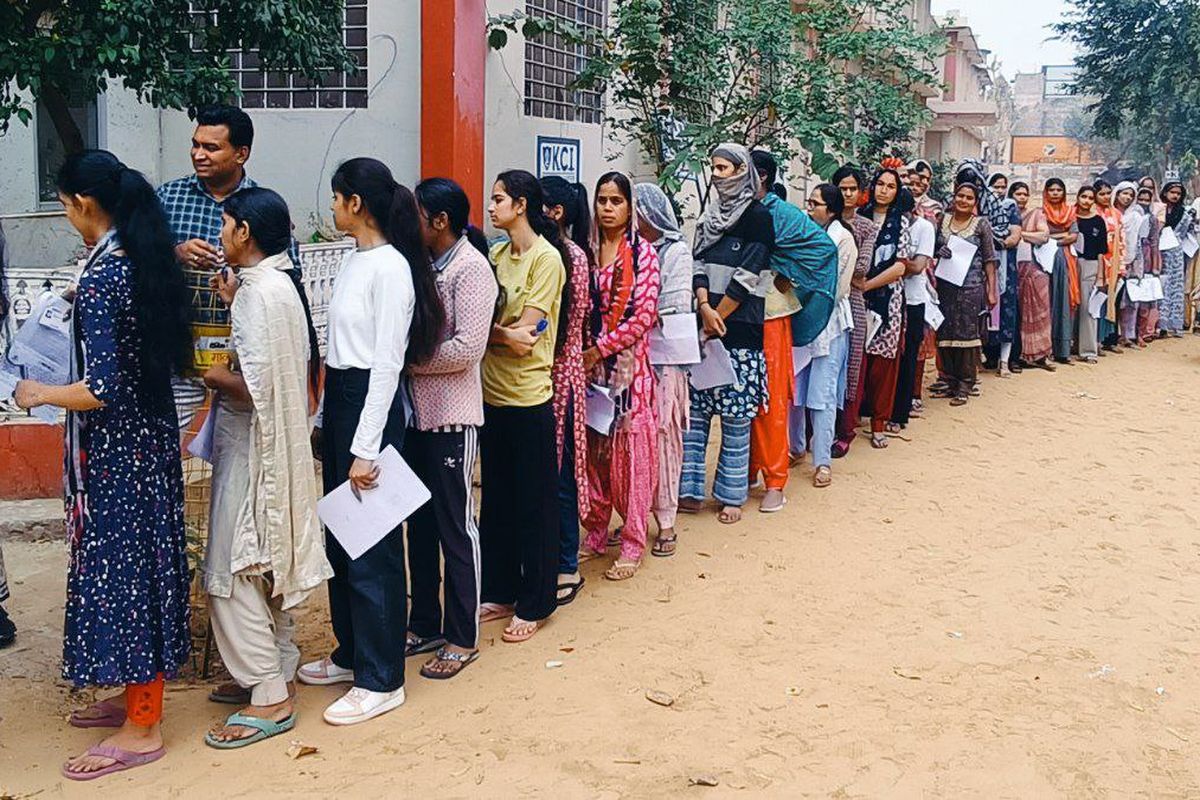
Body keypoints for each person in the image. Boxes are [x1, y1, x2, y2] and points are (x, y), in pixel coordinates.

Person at [14, 150, 192, 779]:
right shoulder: (136, 259)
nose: (66, 217)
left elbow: (103, 387)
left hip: (117, 453)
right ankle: (133, 696)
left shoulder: (105, 275)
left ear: (83, 204)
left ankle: (143, 726)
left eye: (63, 206)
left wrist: (37, 393)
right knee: (142, 568)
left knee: (125, 577)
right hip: (148, 443)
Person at [297, 158, 445, 726]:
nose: (332, 208)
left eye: (337, 198)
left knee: (373, 547)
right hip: (343, 400)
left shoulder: (392, 269)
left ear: (356, 202)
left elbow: (385, 364)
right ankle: (352, 650)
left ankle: (382, 678)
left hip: (370, 408)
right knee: (342, 536)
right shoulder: (356, 260)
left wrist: (365, 447)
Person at [199, 188, 332, 748]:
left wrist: (208, 372)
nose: (223, 233)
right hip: (270, 445)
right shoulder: (273, 288)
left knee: (230, 572)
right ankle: (274, 666)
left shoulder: (262, 294)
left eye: (227, 225)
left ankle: (269, 692)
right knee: (264, 564)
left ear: (245, 233)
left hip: (256, 446)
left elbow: (255, 389)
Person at [156, 105, 303, 430]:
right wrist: (175, 253)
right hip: (178, 351)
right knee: (164, 443)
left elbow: (290, 274)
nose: (199, 155)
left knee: (239, 454)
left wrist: (243, 282)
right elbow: (138, 257)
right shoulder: (167, 196)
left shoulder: (262, 204)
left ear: (241, 154)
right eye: (195, 144)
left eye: (211, 147)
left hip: (242, 356)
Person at [405, 178, 498, 679]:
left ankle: (463, 635)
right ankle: (425, 622)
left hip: (453, 417)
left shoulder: (471, 269)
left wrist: (407, 362)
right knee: (418, 526)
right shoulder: (426, 265)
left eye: (417, 215)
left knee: (456, 526)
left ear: (439, 221)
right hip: (417, 417)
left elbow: (466, 349)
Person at [477, 170, 567, 643]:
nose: (490, 207)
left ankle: (536, 599)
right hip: (490, 394)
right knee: (496, 500)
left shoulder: (546, 260)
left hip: (529, 396)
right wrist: (497, 333)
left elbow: (525, 340)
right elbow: (489, 328)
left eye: (498, 199)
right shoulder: (494, 254)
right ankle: (500, 587)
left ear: (522, 205)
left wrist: (493, 334)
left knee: (534, 501)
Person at [680, 143, 774, 525]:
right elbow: (697, 261)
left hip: (740, 330)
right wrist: (703, 308)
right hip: (705, 327)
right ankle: (688, 490)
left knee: (736, 418)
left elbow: (751, 273)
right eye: (714, 168)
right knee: (696, 415)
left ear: (741, 172)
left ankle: (732, 496)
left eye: (724, 168)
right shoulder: (709, 216)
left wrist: (718, 316)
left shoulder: (758, 217)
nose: (717, 175)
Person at [578, 172, 661, 579]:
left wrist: (600, 348)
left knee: (630, 456)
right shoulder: (586, 251)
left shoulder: (643, 254)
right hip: (589, 372)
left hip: (629, 374)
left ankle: (632, 539)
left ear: (630, 208)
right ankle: (595, 530)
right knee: (593, 453)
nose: (608, 208)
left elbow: (644, 315)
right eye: (602, 200)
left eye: (616, 201)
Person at [748, 150, 837, 511]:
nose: (720, 176)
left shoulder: (780, 214)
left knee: (770, 399)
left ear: (761, 176)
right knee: (741, 398)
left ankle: (775, 479)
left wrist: (784, 271)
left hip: (770, 314)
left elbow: (823, 250)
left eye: (729, 169)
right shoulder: (726, 212)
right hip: (734, 313)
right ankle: (745, 471)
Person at [634, 182, 693, 557]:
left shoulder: (676, 252)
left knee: (663, 437)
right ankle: (636, 513)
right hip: (630, 357)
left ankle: (666, 521)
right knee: (632, 440)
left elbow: (671, 305)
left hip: (664, 357)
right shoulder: (626, 250)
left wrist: (634, 314)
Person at [540, 176, 591, 606]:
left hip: (562, 374)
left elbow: (568, 325)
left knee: (560, 474)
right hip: (544, 375)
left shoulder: (571, 257)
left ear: (554, 212)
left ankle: (566, 563)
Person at [790, 184, 856, 487]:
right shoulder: (803, 235)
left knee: (823, 394)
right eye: (809, 202)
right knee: (795, 391)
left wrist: (804, 289)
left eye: (815, 204)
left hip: (829, 325)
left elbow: (838, 288)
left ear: (831, 210)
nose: (809, 208)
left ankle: (823, 462)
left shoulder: (843, 240)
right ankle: (795, 447)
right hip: (801, 322)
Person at [857, 165, 912, 449]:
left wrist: (867, 285)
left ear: (896, 192)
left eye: (891, 186)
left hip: (887, 301)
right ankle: (851, 421)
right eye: (880, 184)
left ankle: (879, 423)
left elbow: (901, 266)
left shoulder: (900, 223)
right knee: (857, 362)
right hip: (855, 299)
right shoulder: (857, 217)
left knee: (883, 366)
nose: (884, 190)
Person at [932, 181, 997, 405]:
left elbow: (990, 259)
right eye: (960, 196)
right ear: (954, 196)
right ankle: (949, 380)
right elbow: (931, 248)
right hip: (945, 286)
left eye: (969, 198)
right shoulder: (943, 220)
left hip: (971, 287)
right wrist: (939, 251)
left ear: (975, 202)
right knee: (945, 333)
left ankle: (965, 384)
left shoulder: (981, 225)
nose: (964, 201)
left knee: (967, 336)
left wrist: (991, 290)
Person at [830, 165, 879, 457]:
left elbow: (861, 268)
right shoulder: (821, 221)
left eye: (852, 189)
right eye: (843, 188)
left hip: (854, 302)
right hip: (823, 301)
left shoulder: (867, 227)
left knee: (851, 364)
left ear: (861, 193)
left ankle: (845, 430)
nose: (847, 194)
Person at [890, 182, 936, 431]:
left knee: (909, 356)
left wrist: (894, 264)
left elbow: (919, 266)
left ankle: (901, 412)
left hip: (914, 299)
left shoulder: (924, 228)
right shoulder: (891, 225)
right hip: (890, 297)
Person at [1011, 181, 1054, 370]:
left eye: (1024, 194)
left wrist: (1019, 234)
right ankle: (1019, 355)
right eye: (1018, 194)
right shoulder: (1006, 214)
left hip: (1036, 271)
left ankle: (1041, 355)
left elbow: (1044, 236)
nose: (1022, 197)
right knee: (1017, 314)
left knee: (1040, 312)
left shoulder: (1036, 214)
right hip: (1014, 272)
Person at [1040, 178, 1081, 365]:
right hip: (1043, 258)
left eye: (1059, 190)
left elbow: (1073, 235)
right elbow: (1042, 235)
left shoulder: (1070, 212)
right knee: (1046, 302)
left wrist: (1054, 239)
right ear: (1046, 192)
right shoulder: (1040, 212)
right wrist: (1060, 236)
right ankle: (1044, 350)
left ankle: (1063, 351)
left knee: (1063, 301)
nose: (1055, 193)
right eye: (1051, 190)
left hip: (1065, 259)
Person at [1073, 185, 1107, 364]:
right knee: (1069, 305)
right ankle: (1066, 345)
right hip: (1070, 263)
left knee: (1088, 308)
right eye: (1083, 197)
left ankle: (1088, 350)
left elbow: (1102, 251)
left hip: (1090, 265)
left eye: (1090, 198)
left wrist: (1101, 276)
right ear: (1077, 197)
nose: (1086, 201)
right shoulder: (1069, 217)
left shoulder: (1098, 222)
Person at [1157, 181, 1193, 337]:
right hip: (1157, 250)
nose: (1175, 196)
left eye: (1178, 193)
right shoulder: (1158, 210)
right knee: (1159, 284)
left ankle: (1172, 324)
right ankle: (1157, 325)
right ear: (1165, 193)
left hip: (1176, 252)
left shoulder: (1185, 213)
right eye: (1172, 192)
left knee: (1174, 285)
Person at [1093, 180, 1126, 352]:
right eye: (1102, 194)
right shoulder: (1092, 212)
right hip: (1098, 261)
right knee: (1096, 302)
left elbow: (1122, 242)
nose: (1106, 197)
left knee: (1112, 302)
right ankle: (1094, 340)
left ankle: (1109, 340)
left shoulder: (1116, 214)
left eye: (1108, 193)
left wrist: (1121, 265)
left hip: (1114, 263)